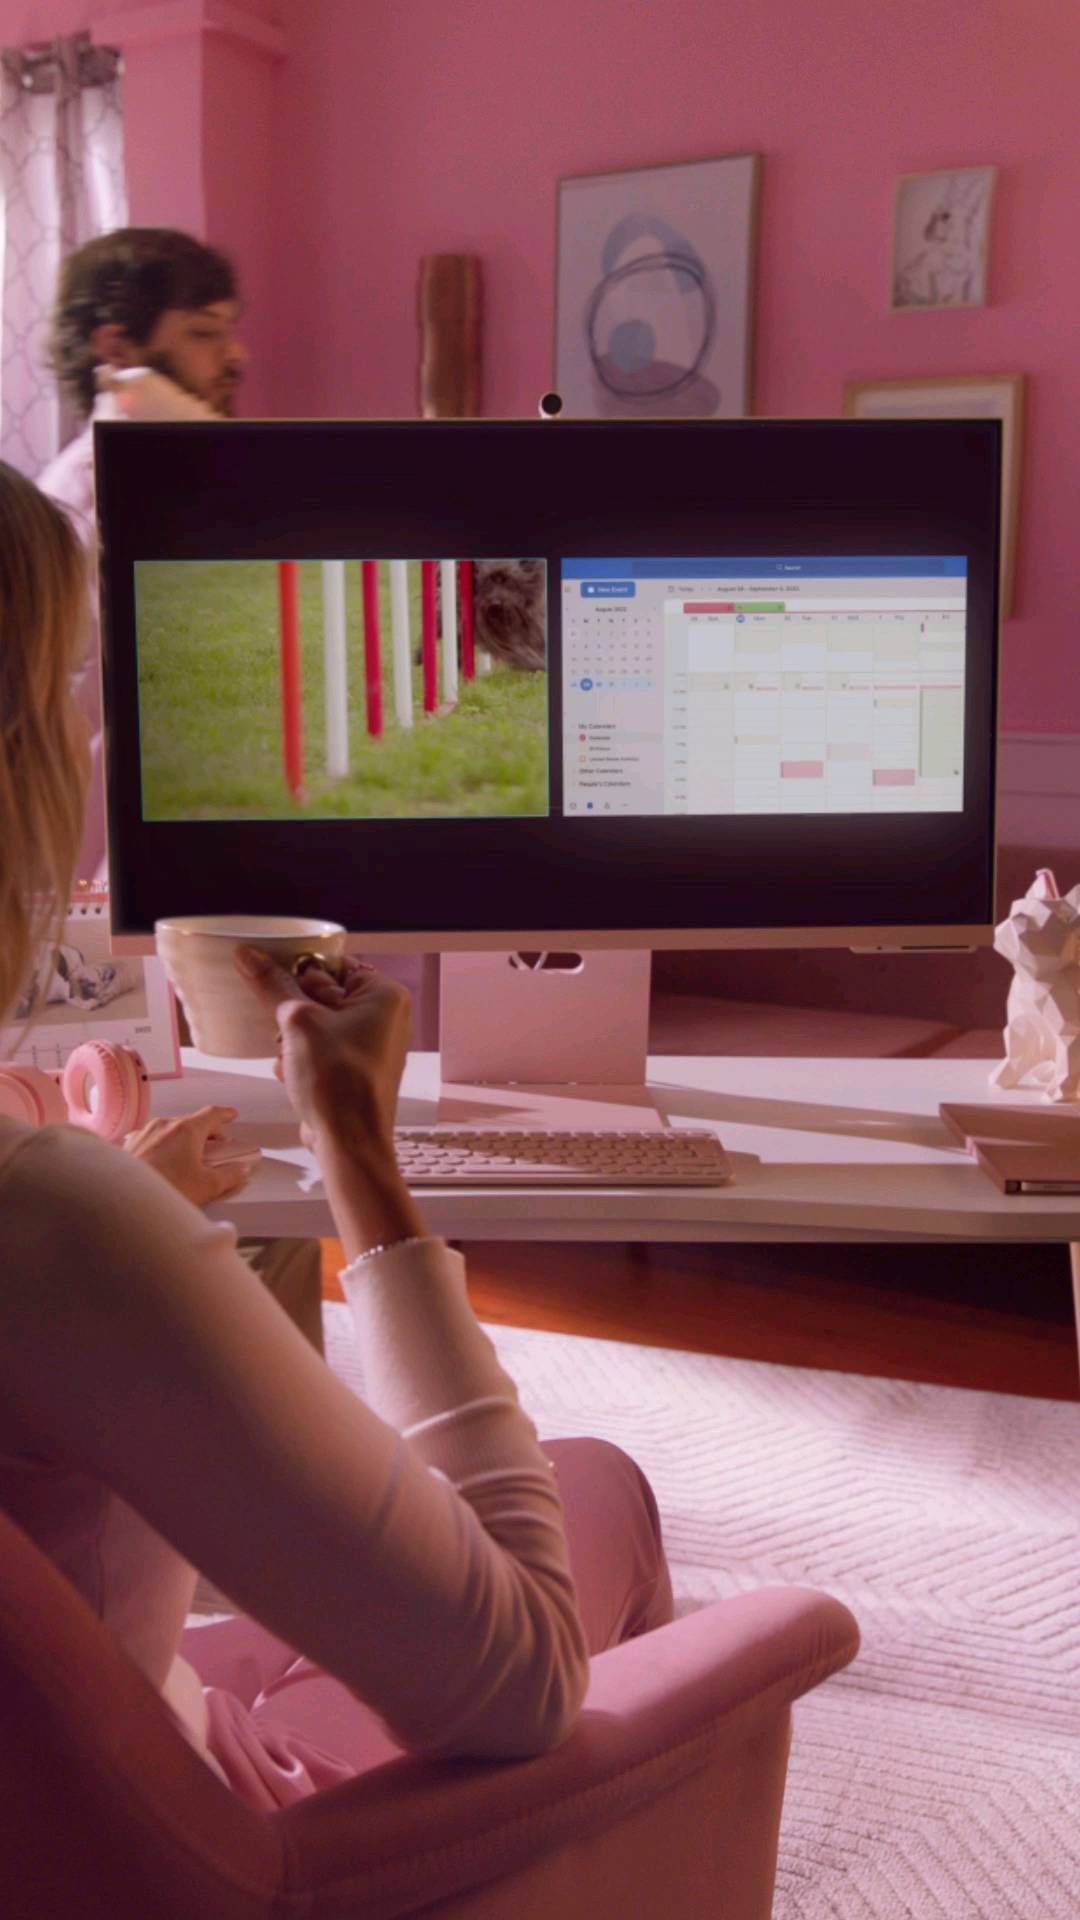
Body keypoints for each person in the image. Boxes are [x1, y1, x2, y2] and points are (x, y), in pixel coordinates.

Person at [0, 459, 674, 1805]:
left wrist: (123, 1212)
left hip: (100, 1751)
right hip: (206, 1862)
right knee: (603, 1498)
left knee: (571, 1487)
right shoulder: (56, 1228)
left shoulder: (64, 1221)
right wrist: (359, 1153)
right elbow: (523, 1682)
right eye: (71, 682)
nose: (91, 737)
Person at [36, 228, 321, 1351]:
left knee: (273, 1163)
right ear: (118, 343)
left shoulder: (189, 478)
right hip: (132, 908)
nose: (233, 357)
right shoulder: (74, 515)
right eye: (204, 335)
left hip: (223, 866)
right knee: (241, 1183)